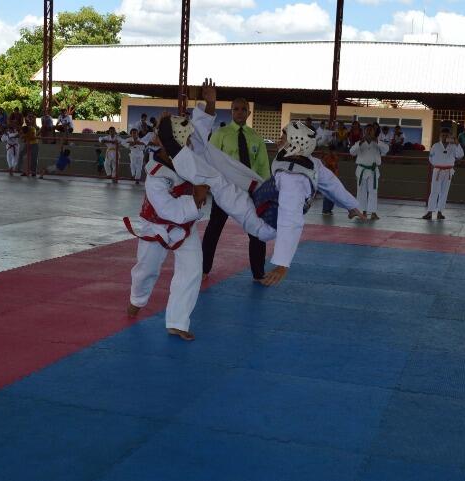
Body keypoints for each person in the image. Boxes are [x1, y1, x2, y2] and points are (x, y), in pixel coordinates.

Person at [126, 79, 275, 341]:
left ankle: (177, 321)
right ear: (164, 142)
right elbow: (169, 209)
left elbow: (200, 129)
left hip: (185, 227)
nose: (188, 145)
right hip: (157, 226)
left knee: (192, 269)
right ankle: (137, 299)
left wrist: (209, 103)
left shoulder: (190, 151)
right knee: (146, 271)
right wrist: (195, 200)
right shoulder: (156, 175)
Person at [254, 121, 365, 286]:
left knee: (224, 188)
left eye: (283, 138)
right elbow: (331, 184)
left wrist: (282, 264)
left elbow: (290, 220)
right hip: (264, 204)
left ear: (296, 143)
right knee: (232, 181)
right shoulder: (312, 163)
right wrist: (351, 205)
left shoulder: (293, 179)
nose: (279, 140)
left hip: (261, 223)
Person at [202, 96, 270, 281]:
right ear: (231, 112)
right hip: (225, 189)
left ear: (249, 112)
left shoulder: (256, 138)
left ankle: (259, 273)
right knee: (214, 229)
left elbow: (263, 167)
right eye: (236, 109)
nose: (239, 112)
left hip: (252, 191)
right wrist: (206, 186)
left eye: (243, 109)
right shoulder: (221, 134)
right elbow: (210, 161)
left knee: (257, 231)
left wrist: (267, 192)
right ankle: (203, 269)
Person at [423, 127, 464, 220]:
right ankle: (430, 212)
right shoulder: (435, 146)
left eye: (447, 135)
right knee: (434, 191)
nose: (445, 137)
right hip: (437, 171)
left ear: (450, 136)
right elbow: (431, 158)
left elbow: (460, 155)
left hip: (448, 171)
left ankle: (440, 212)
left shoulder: (454, 146)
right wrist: (437, 165)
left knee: (444, 192)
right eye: (443, 135)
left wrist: (457, 143)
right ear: (440, 136)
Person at [350, 124, 388, 220]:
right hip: (362, 170)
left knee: (373, 191)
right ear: (364, 132)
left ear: (374, 132)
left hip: (373, 171)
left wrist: (377, 141)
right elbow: (352, 152)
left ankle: (373, 212)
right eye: (367, 130)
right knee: (361, 191)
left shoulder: (378, 143)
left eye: (371, 130)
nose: (369, 132)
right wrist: (360, 143)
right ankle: (363, 211)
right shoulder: (359, 143)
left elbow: (386, 149)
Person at [321, 145, 340, 215]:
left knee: (333, 195)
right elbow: (330, 165)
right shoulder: (328, 157)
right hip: (328, 178)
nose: (335, 152)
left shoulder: (335, 157)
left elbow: (336, 166)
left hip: (334, 178)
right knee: (328, 194)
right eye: (334, 151)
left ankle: (329, 209)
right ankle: (325, 210)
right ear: (332, 151)